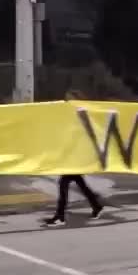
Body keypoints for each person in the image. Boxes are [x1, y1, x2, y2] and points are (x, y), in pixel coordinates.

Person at [43, 90, 105, 228]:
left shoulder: (82, 113)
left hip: (76, 156)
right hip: (71, 155)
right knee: (80, 184)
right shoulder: (70, 114)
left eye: (70, 99)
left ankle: (60, 216)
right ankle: (97, 205)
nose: (67, 101)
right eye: (66, 99)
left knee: (63, 185)